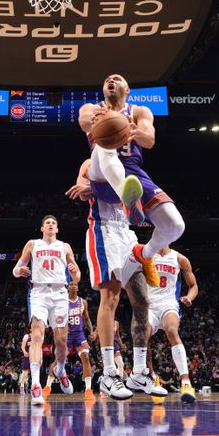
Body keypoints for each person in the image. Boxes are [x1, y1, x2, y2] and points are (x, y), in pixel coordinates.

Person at [66, 159, 167, 400]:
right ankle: (109, 374)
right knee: (110, 298)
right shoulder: (91, 163)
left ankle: (140, 373)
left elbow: (138, 207)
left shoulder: (130, 166)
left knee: (142, 301)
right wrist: (98, 189)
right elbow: (82, 192)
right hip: (103, 230)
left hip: (127, 233)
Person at [78, 73, 185, 282]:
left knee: (175, 225)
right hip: (103, 173)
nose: (111, 81)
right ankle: (128, 200)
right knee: (105, 147)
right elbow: (84, 122)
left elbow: (150, 140)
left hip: (133, 172)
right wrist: (100, 120)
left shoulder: (139, 111)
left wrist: (134, 130)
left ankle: (142, 254)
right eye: (107, 79)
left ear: (127, 89)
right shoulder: (91, 108)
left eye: (117, 79)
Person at [12, 215, 81, 406]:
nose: (51, 225)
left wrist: (75, 273)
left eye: (54, 223)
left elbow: (77, 276)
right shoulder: (33, 244)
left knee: (61, 341)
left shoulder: (65, 246)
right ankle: (35, 385)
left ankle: (60, 369)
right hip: (39, 292)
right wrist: (20, 271)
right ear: (42, 228)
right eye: (47, 223)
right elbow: (16, 269)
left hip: (60, 293)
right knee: (37, 334)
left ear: (57, 229)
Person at [145, 245, 198, 403]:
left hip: (169, 303)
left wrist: (189, 297)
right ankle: (153, 379)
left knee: (172, 331)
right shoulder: (146, 255)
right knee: (142, 336)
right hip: (149, 305)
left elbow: (193, 286)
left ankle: (186, 383)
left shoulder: (180, 259)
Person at [45, 281, 98, 399]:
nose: (73, 286)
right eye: (71, 284)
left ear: (78, 288)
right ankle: (47, 387)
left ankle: (88, 390)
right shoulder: (62, 302)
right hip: (66, 335)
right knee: (58, 359)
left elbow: (87, 318)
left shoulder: (83, 302)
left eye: (75, 284)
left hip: (79, 335)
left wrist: (91, 332)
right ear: (67, 287)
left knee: (85, 357)